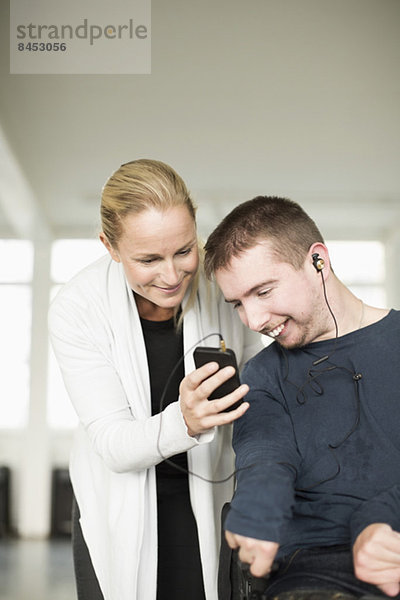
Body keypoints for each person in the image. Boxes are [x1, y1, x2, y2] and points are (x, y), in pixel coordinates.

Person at [48, 159, 262, 600]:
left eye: (184, 250)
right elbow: (112, 443)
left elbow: (257, 383)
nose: (171, 276)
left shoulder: (219, 282)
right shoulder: (77, 306)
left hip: (210, 495)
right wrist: (184, 421)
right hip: (117, 502)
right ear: (109, 245)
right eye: (148, 259)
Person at [203, 196, 400, 599]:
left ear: (318, 262)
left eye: (263, 291)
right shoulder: (262, 373)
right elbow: (265, 456)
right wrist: (257, 508)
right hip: (315, 566)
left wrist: (380, 521)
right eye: (238, 303)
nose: (254, 320)